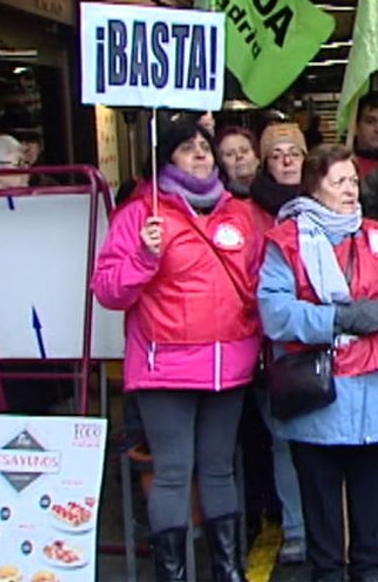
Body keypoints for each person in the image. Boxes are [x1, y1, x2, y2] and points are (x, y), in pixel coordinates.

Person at [92, 118, 262, 581]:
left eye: (205, 146)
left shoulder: (238, 214)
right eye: (187, 148)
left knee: (218, 469)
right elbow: (108, 291)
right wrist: (143, 257)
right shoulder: (139, 215)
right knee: (172, 471)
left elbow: (257, 282)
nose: (201, 154)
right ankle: (173, 573)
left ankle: (227, 570)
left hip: (228, 366)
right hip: (164, 367)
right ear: (166, 158)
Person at [257, 144, 378, 582]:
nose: (351, 190)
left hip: (377, 391)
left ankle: (367, 573)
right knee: (322, 511)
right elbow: (276, 312)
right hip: (319, 396)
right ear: (314, 190)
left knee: (371, 505)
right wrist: (336, 319)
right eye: (339, 183)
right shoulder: (285, 242)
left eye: (353, 180)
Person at [237, 121, 308, 564]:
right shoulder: (247, 212)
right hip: (272, 342)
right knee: (284, 438)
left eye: (294, 153)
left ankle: (328, 524)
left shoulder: (324, 201)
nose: (286, 160)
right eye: (277, 153)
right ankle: (297, 528)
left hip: (323, 338)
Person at [216, 126, 260, 198]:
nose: (239, 156)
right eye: (229, 154)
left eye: (244, 151)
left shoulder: (274, 193)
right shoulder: (219, 201)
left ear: (257, 158)